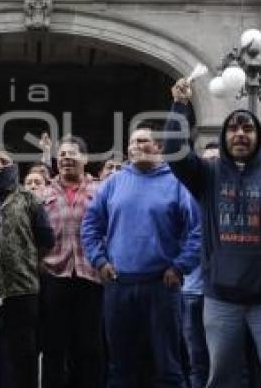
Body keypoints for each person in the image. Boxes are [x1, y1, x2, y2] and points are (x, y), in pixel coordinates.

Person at [165, 79, 261, 387]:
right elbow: (173, 151)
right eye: (233, 129)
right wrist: (180, 107)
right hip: (221, 300)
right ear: (224, 137)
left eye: (247, 129)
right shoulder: (208, 176)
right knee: (221, 377)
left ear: (258, 137)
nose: (240, 134)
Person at [82, 125, 201, 386]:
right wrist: (99, 260)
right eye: (132, 142)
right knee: (121, 365)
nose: (134, 146)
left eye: (142, 141)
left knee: (166, 365)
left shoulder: (177, 182)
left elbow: (198, 230)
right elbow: (90, 225)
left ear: (159, 147)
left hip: (161, 287)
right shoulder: (112, 183)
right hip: (119, 286)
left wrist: (181, 266)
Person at [0, 149, 54, 388]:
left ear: (14, 166)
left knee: (22, 353)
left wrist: (26, 261)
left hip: (22, 288)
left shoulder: (29, 199)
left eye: (3, 161)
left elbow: (46, 240)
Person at [39, 135, 104, 388]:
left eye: (72, 153)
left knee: (90, 345)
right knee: (54, 345)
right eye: (62, 154)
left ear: (85, 159)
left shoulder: (101, 189)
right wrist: (38, 260)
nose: (66, 158)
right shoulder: (43, 192)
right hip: (55, 275)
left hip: (91, 274)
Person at [181, 142, 218, 388]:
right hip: (192, 291)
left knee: (227, 362)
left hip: (224, 295)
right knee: (196, 362)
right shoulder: (183, 194)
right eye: (208, 160)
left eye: (217, 159)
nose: (212, 164)